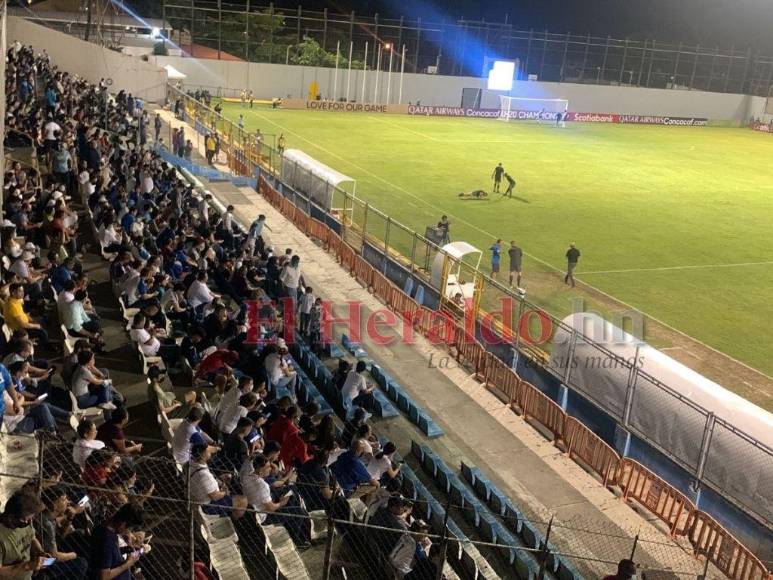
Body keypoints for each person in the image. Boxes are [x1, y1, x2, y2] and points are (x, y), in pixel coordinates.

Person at [37, 487, 88, 577]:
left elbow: (60, 537)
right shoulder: (47, 523)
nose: (68, 502)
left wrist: (70, 517)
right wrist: (73, 555)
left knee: (78, 534)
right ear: (54, 505)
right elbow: (54, 556)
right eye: (64, 500)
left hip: (48, 553)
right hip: (44, 563)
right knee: (81, 562)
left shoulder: (49, 517)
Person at [189, 443, 248, 519]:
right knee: (243, 501)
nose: (210, 451)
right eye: (208, 450)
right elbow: (215, 497)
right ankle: (229, 519)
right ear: (203, 454)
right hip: (207, 506)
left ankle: (228, 514)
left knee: (234, 496)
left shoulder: (193, 462)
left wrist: (219, 480)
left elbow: (206, 484)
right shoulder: (204, 475)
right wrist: (225, 493)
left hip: (199, 497)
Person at [88, 503, 145, 580]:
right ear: (123, 524)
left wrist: (124, 550)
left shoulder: (105, 531)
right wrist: (128, 563)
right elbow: (103, 576)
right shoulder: (107, 539)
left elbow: (106, 556)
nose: (129, 532)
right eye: (130, 529)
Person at [0, 490, 46, 577]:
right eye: (26, 520)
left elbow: (32, 538)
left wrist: (40, 552)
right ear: (11, 517)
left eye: (30, 519)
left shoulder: (24, 523)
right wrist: (28, 566)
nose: (28, 523)